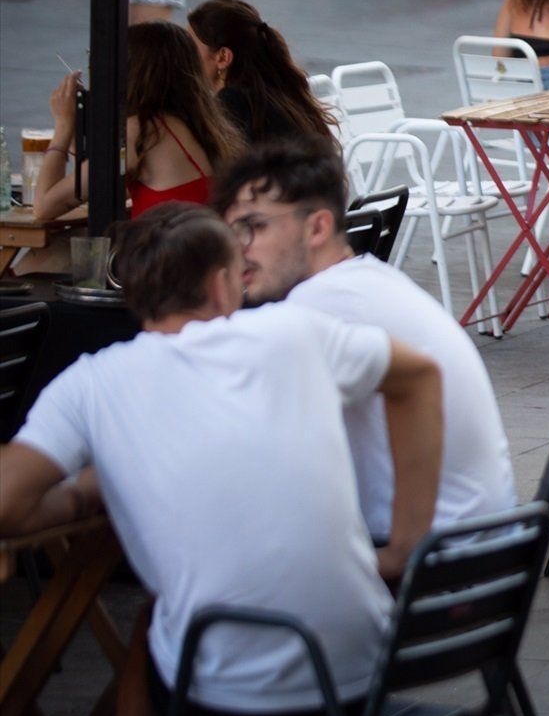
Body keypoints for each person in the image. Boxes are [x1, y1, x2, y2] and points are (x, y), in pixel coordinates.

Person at [0, 204, 445, 716]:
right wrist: (407, 543)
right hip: (365, 672)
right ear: (219, 285)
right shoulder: (294, 332)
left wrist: (71, 497)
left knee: (160, 628)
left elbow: (7, 503)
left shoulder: (93, 382)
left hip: (236, 693)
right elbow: (422, 375)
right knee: (172, 632)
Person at [215, 137, 515, 536]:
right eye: (230, 232)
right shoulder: (367, 278)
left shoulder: (315, 305)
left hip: (439, 563)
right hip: (486, 549)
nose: (239, 249)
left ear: (318, 226)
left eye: (253, 227)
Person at [35, 22, 241, 225]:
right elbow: (93, 186)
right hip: (198, 248)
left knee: (51, 252)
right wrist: (77, 124)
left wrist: (63, 124)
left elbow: (45, 206)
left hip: (167, 253)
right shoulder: (199, 124)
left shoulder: (141, 131)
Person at [187, 0, 335, 144]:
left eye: (189, 47)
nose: (183, 55)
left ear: (223, 57)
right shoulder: (278, 94)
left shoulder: (233, 104)